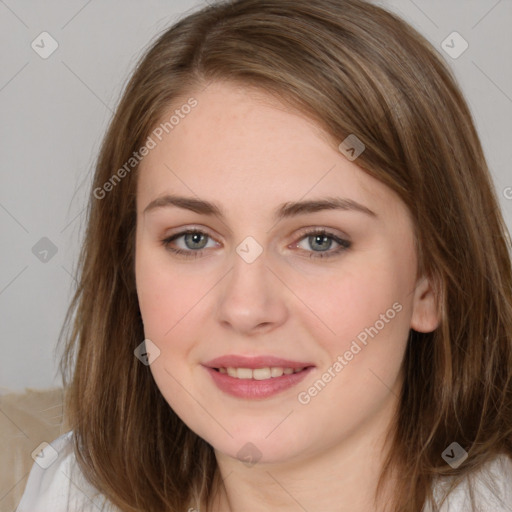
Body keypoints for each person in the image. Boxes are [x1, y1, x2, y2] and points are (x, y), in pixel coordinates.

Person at [16, 0, 512, 511]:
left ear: (430, 282)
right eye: (193, 238)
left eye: (320, 240)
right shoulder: (70, 491)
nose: (246, 308)